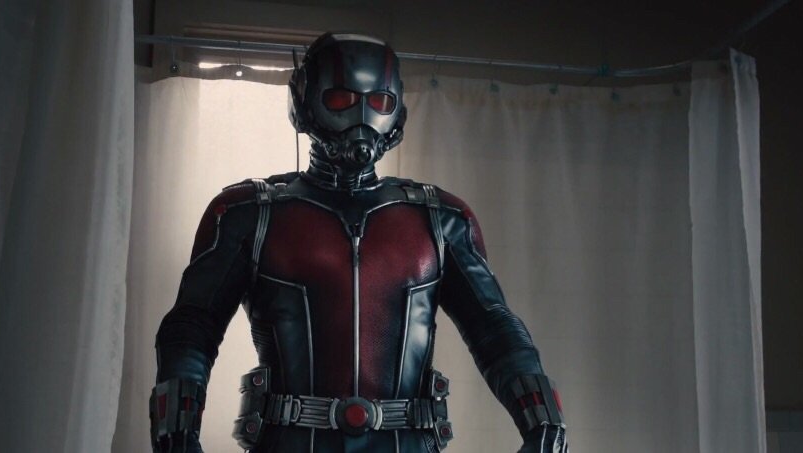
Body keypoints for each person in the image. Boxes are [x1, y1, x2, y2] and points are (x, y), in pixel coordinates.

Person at [149, 32, 569, 453]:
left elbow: (494, 329)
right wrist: (176, 434)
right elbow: (192, 330)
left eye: (379, 101)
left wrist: (544, 421)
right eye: (341, 99)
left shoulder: (441, 219)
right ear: (305, 101)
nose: (362, 116)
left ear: (398, 108)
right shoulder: (247, 213)